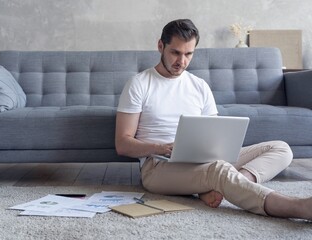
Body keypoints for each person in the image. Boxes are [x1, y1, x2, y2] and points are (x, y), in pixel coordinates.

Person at [115, 19, 312, 220]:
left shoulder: (199, 85)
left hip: (203, 160)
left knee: (281, 149)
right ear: (160, 46)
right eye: (175, 52)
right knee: (219, 170)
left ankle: (229, 185)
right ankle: (297, 207)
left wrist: (218, 152)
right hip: (158, 166)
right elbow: (123, 144)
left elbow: (214, 134)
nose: (181, 61)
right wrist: (161, 148)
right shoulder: (139, 84)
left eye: (188, 54)